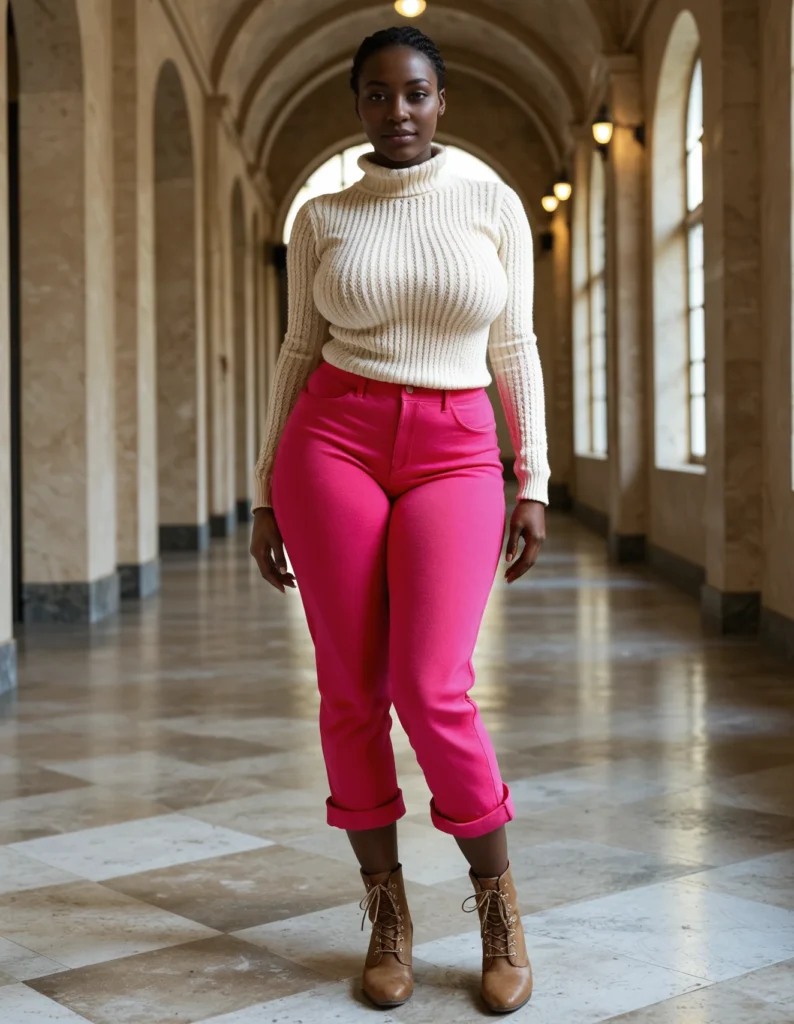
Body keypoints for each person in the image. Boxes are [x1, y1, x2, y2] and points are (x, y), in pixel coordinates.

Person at [249, 25, 549, 1015]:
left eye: (414, 93)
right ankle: (385, 912)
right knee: (348, 689)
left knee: (431, 687)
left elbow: (513, 343)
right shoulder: (321, 215)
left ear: (441, 98)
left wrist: (531, 477)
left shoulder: (490, 201)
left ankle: (494, 901)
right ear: (357, 105)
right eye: (376, 96)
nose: (398, 112)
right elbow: (297, 349)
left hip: (457, 444)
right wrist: (262, 490)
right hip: (331, 438)